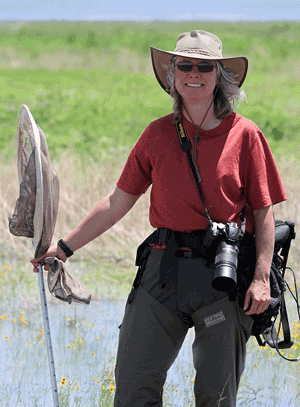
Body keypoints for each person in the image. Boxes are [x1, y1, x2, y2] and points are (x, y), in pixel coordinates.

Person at [31, 30, 287, 407]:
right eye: (185, 65)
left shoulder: (246, 136)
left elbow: (264, 212)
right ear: (172, 75)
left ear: (220, 76)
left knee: (216, 399)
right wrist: (64, 247)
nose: (194, 73)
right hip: (161, 270)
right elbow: (118, 201)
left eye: (205, 66)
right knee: (133, 391)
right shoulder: (156, 135)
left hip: (224, 276)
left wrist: (262, 278)